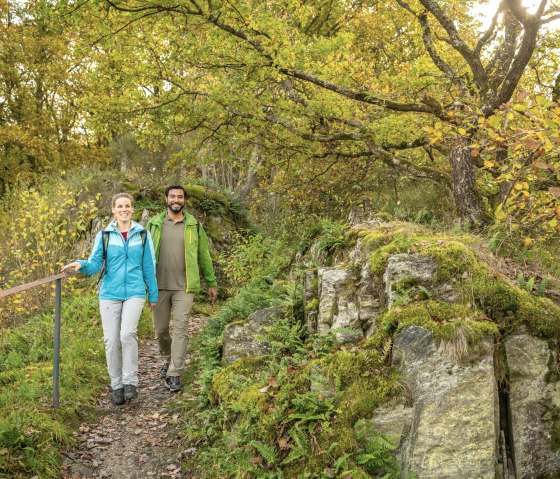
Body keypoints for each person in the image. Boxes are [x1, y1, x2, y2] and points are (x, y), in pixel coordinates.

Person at [62, 193, 158, 406]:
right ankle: (117, 386)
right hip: (109, 293)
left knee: (127, 334)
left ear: (132, 209)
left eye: (128, 206)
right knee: (111, 340)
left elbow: (149, 266)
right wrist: (81, 264)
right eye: (120, 206)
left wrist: (153, 293)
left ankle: (130, 382)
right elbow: (95, 263)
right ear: (113, 210)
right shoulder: (105, 235)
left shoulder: (142, 234)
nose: (124, 209)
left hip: (135, 291)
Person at [146, 185, 218, 392]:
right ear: (166, 199)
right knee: (160, 331)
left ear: (184, 200)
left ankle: (175, 373)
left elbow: (204, 255)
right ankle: (168, 359)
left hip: (184, 287)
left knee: (181, 328)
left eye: (180, 197)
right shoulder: (154, 224)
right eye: (172, 196)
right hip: (157, 286)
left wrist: (211, 282)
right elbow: (143, 255)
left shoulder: (194, 225)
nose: (176, 200)